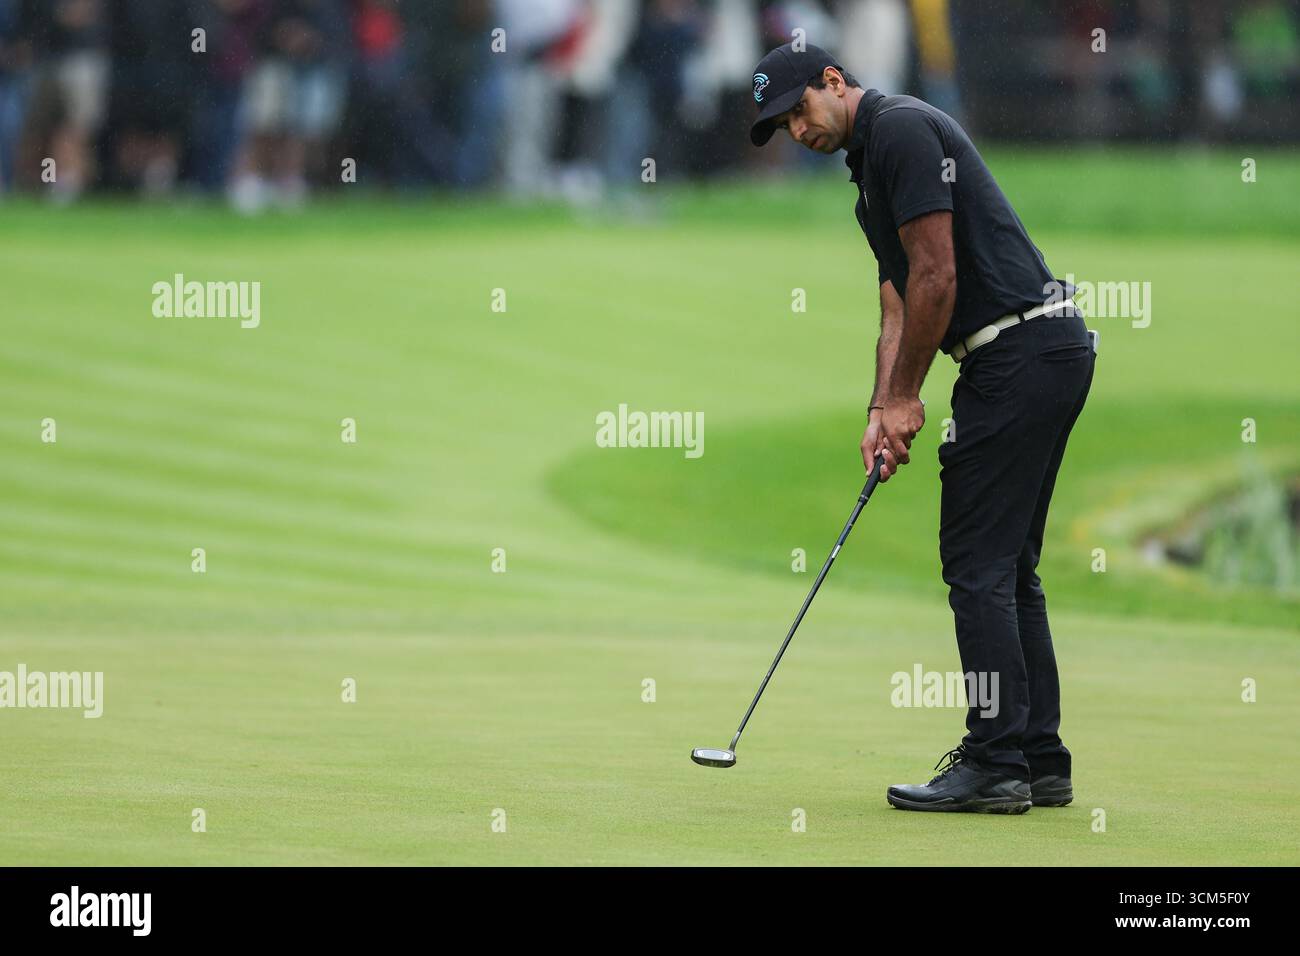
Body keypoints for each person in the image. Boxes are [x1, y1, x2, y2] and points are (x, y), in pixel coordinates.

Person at [749, 43, 1096, 814]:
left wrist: (911, 396)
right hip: (1037, 353)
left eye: (798, 112)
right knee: (1007, 568)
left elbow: (939, 275)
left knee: (976, 567)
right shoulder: (871, 173)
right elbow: (899, 304)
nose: (796, 132)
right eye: (780, 128)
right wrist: (882, 407)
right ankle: (1038, 758)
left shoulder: (901, 131)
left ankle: (994, 760)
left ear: (832, 82)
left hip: (1017, 353)